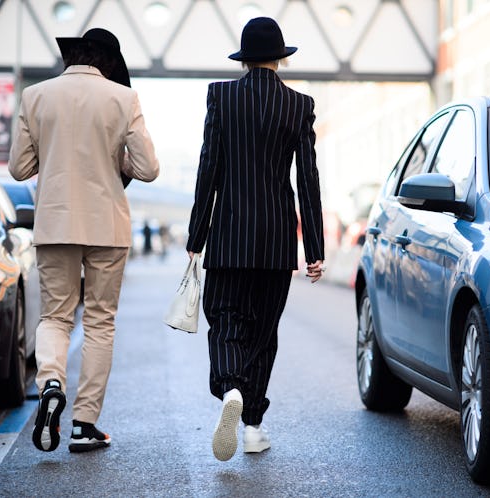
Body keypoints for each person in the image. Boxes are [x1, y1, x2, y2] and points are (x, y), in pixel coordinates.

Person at [8, 27, 160, 453]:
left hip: (55, 224)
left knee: (55, 317)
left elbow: (20, 170)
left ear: (71, 57)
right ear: (107, 62)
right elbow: (148, 169)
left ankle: (51, 381)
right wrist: (116, 160)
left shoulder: (35, 96)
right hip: (107, 225)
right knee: (98, 322)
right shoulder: (122, 99)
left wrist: (52, 152)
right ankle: (83, 424)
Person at [186, 16, 325, 461]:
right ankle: (252, 427)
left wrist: (196, 236)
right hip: (276, 239)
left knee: (225, 320)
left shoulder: (221, 97)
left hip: (228, 235)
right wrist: (315, 249)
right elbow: (308, 180)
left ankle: (231, 389)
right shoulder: (298, 105)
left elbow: (208, 168)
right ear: (281, 59)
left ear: (244, 61)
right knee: (263, 334)